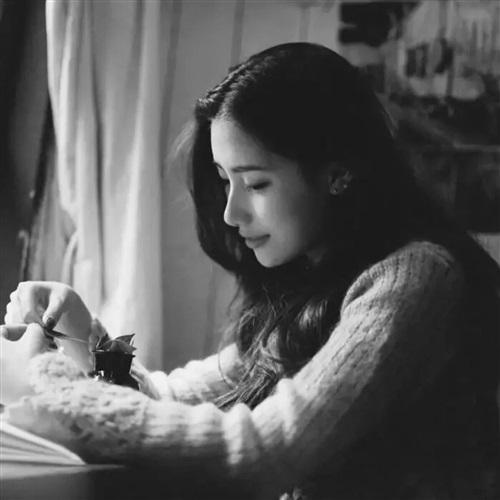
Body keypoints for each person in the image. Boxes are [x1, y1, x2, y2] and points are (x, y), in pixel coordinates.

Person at [1, 42, 499, 500]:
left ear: (338, 173)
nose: (230, 214)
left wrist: (55, 385)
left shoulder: (415, 278)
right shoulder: (308, 290)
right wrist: (80, 335)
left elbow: (262, 453)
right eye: (225, 181)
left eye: (256, 184)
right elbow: (168, 401)